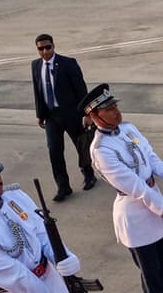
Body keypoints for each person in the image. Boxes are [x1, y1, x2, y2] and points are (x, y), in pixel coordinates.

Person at [81, 84, 163, 292]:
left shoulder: (128, 129)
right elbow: (138, 188)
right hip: (136, 215)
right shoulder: (101, 150)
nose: (116, 111)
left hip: (155, 207)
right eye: (109, 109)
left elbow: (151, 160)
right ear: (95, 115)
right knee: (153, 277)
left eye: (115, 106)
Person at [0, 143, 85, 292]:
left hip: (50, 278)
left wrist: (63, 256)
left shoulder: (14, 196)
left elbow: (41, 232)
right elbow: (18, 278)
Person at [30, 34, 95, 201]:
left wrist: (87, 113)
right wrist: (40, 114)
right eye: (41, 48)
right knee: (54, 151)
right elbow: (38, 91)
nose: (45, 51)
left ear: (53, 46)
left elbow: (81, 89)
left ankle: (89, 175)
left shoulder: (68, 63)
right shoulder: (36, 65)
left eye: (48, 47)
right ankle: (63, 187)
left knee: (81, 146)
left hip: (71, 113)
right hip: (51, 116)